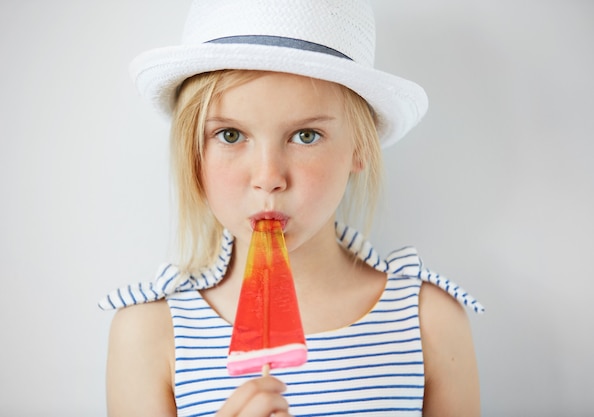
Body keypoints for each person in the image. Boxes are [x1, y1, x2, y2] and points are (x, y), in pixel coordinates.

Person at [99, 0, 484, 416]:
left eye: (305, 136)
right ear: (193, 152)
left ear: (360, 147)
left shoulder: (429, 322)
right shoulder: (151, 332)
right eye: (230, 135)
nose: (268, 177)